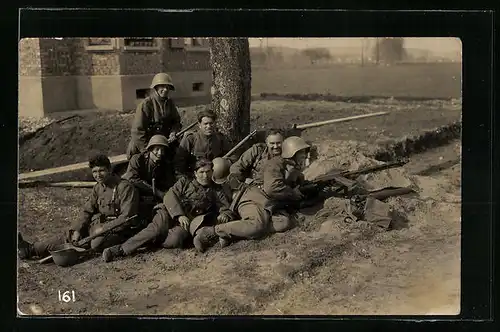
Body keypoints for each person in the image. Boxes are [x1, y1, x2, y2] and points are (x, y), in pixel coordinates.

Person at [18, 155, 141, 261]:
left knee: (96, 243)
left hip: (120, 230)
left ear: (109, 169)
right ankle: (30, 250)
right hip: (99, 226)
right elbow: (87, 211)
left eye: (101, 170)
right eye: (94, 172)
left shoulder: (124, 187)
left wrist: (104, 228)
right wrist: (77, 229)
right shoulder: (98, 187)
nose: (98, 175)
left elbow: (127, 217)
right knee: (71, 236)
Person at [213, 136, 311, 247]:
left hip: (268, 203)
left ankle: (236, 231)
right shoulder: (275, 163)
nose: (304, 156)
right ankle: (215, 231)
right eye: (301, 153)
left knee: (283, 223)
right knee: (257, 226)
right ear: (293, 153)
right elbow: (272, 188)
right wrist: (293, 193)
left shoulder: (290, 166)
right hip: (253, 199)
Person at [162, 158, 235, 253]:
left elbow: (224, 205)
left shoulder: (216, 189)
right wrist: (179, 215)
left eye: (208, 172)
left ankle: (202, 238)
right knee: (172, 242)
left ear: (212, 171)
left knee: (211, 228)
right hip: (183, 220)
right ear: (195, 173)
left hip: (201, 222)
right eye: (201, 172)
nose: (205, 176)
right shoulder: (185, 182)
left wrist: (224, 214)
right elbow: (170, 195)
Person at [126, 73, 182, 160]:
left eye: (168, 87)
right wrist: (146, 151)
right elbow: (138, 131)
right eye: (162, 86)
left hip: (163, 145)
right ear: (155, 87)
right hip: (145, 146)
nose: (165, 89)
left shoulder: (170, 103)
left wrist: (173, 132)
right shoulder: (146, 104)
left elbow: (176, 122)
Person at [174, 108, 235, 178]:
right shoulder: (191, 138)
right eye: (205, 124)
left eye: (211, 123)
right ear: (199, 125)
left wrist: (223, 163)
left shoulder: (220, 138)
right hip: (194, 176)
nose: (209, 127)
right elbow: (179, 161)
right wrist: (184, 177)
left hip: (213, 176)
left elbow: (232, 156)